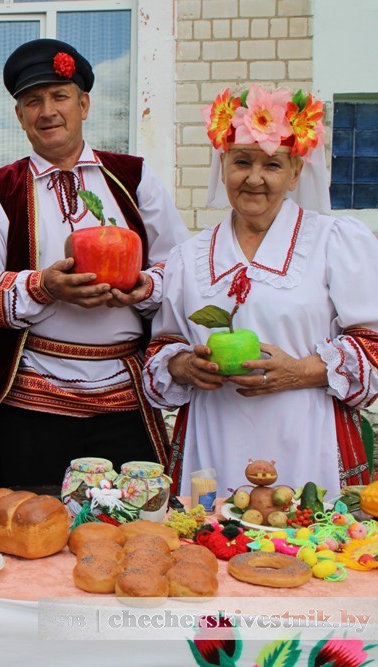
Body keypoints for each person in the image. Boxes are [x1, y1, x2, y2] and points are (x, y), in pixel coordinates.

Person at [143, 84, 378, 496]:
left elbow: (372, 346)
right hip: (213, 442)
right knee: (211, 532)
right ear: (223, 165)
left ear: (295, 173)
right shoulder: (188, 257)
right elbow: (163, 346)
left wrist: (298, 372)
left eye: (272, 164)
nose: (254, 178)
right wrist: (183, 366)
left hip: (308, 441)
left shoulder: (334, 242)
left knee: (306, 531)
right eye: (241, 162)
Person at [0, 39, 191, 488]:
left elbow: (179, 268)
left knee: (134, 518)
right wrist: (44, 286)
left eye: (59, 96)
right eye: (33, 102)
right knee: (35, 517)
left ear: (84, 104)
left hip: (125, 395)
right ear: (19, 116)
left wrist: (144, 287)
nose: (47, 111)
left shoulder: (133, 177)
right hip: (33, 397)